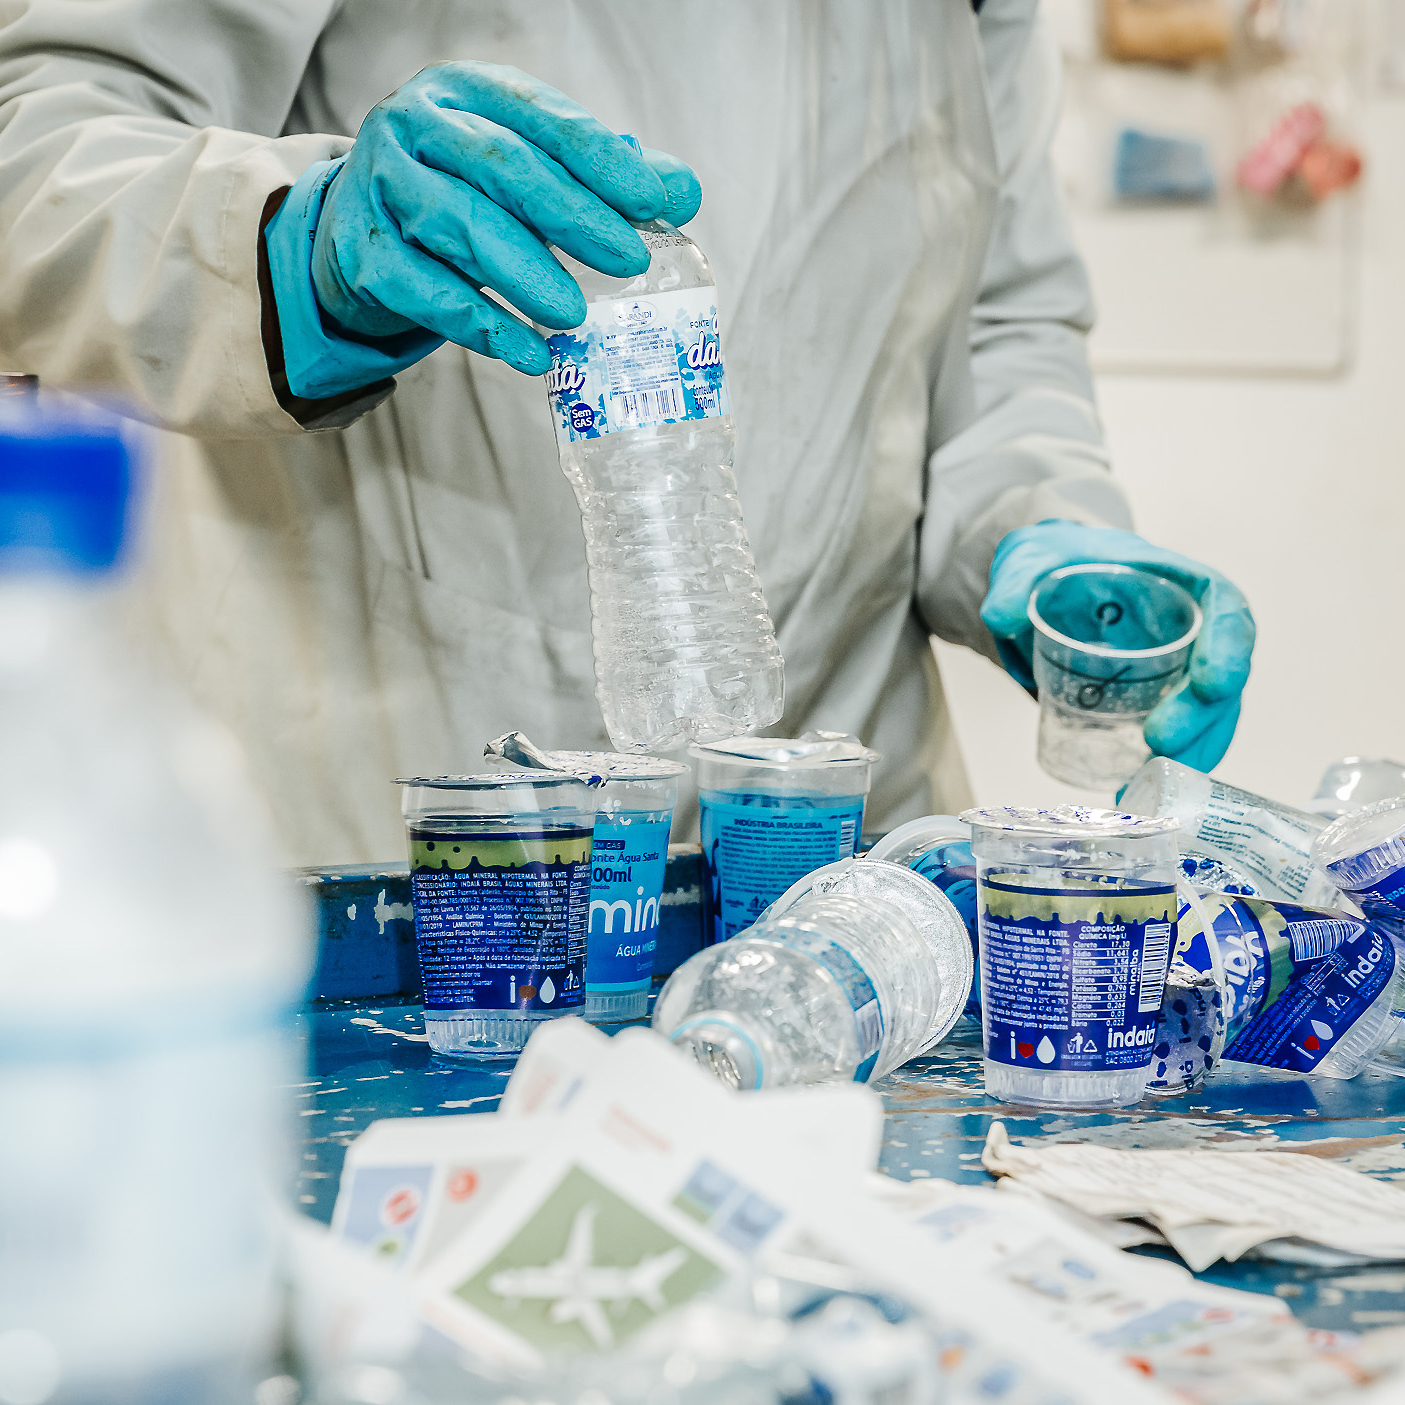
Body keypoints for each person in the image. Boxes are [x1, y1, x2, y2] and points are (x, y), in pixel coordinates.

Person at [0, 1, 1254, 865]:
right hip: (423, 822)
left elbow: (992, 312)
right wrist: (296, 247)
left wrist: (1033, 527)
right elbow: (36, 148)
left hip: (829, 844)